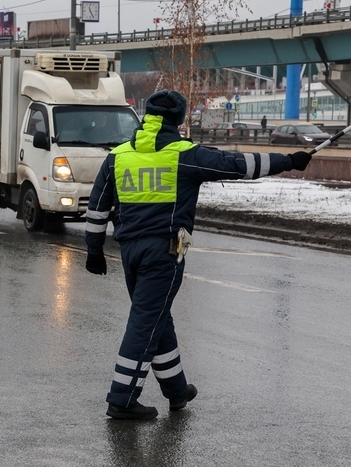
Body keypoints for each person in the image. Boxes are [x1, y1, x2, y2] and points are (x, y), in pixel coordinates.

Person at [84, 89, 312, 420]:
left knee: (156, 316)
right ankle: (122, 397)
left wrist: (94, 250)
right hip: (169, 249)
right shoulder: (184, 154)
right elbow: (238, 165)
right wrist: (288, 162)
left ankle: (177, 391)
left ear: (148, 117)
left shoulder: (119, 156)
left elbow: (97, 206)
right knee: (147, 320)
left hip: (130, 251)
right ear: (177, 120)